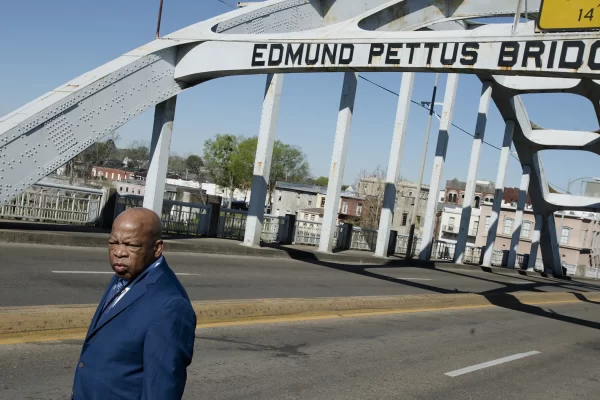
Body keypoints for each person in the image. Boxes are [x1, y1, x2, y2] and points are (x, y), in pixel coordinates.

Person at [72, 207, 196, 400]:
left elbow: (161, 389)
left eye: (132, 245)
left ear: (157, 248)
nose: (119, 252)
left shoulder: (171, 305)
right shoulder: (125, 274)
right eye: (113, 243)